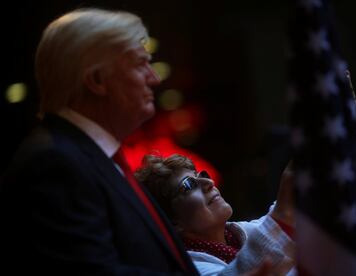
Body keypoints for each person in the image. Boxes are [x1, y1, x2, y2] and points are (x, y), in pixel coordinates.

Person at [0, 8, 200, 275]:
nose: (154, 78)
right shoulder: (54, 163)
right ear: (97, 80)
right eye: (141, 63)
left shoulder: (86, 157)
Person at [135, 154, 296, 275]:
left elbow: (278, 225)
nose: (209, 183)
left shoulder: (238, 235)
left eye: (202, 176)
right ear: (173, 221)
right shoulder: (187, 268)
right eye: (189, 185)